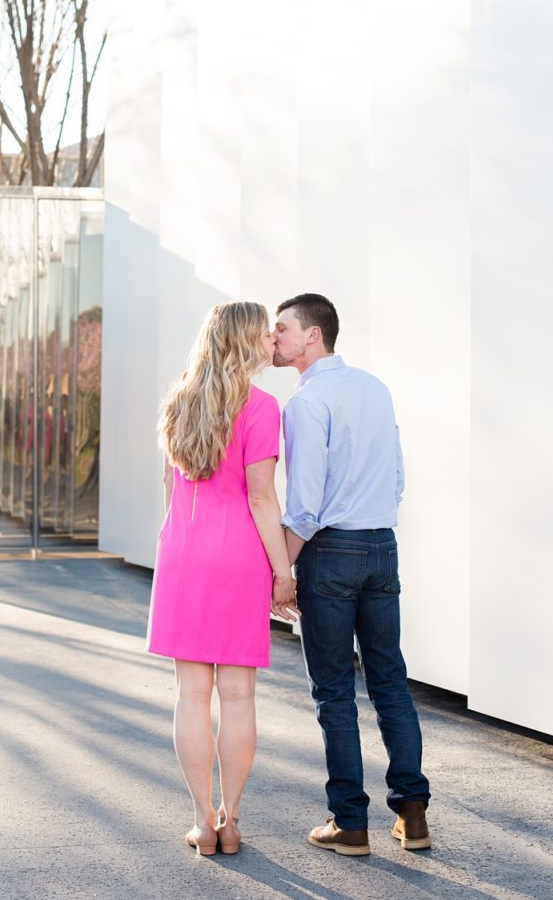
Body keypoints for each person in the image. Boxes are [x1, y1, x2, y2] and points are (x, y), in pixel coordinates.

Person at [273, 293, 431, 856]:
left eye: (283, 328)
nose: (274, 337)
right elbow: (396, 477)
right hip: (381, 545)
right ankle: (413, 816)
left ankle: (350, 824)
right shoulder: (374, 387)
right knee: (390, 679)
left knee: (335, 691)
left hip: (329, 552)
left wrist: (279, 569)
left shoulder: (306, 402)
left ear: (312, 336)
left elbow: (305, 505)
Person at [146, 301, 299, 857]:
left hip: (184, 551)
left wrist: (176, 546)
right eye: (263, 333)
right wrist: (284, 571)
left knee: (191, 694)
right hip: (238, 556)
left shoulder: (178, 402)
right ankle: (231, 820)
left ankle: (200, 821)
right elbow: (261, 496)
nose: (268, 340)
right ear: (245, 342)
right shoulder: (261, 406)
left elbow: (170, 491)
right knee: (238, 697)